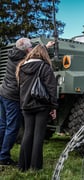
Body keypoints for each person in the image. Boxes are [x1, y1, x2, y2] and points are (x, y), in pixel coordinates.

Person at [16, 44, 58, 172]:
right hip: (41, 105)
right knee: (38, 135)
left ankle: (23, 166)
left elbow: (21, 88)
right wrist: (53, 107)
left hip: (26, 105)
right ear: (44, 54)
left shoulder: (21, 67)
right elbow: (52, 89)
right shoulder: (45, 67)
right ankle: (35, 167)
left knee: (27, 134)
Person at [0, 38, 33, 166]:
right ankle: (3, 157)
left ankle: (1, 153)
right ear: (26, 49)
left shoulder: (12, 54)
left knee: (3, 125)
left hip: (3, 93)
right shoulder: (23, 61)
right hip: (12, 97)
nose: (31, 49)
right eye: (30, 47)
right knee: (12, 127)